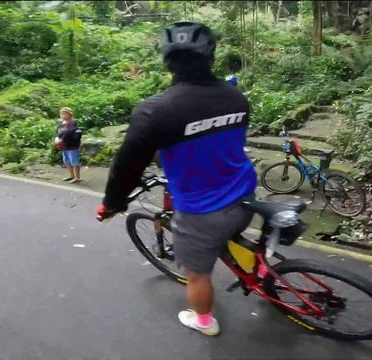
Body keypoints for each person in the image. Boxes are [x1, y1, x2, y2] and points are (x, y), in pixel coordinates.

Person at [96, 22, 256, 336]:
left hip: (201, 211)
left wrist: (112, 204)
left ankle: (204, 321)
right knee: (232, 231)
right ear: (211, 57)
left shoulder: (155, 111)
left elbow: (127, 167)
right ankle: (256, 271)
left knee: (197, 276)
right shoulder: (236, 97)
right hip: (246, 193)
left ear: (167, 61)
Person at [55, 107, 83, 183]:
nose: (62, 115)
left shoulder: (73, 123)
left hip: (72, 146)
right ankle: (72, 175)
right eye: (61, 113)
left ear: (69, 114)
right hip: (64, 146)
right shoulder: (60, 124)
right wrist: (57, 138)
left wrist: (62, 139)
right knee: (66, 161)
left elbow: (71, 132)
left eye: (64, 113)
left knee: (74, 162)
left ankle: (77, 177)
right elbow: (57, 133)